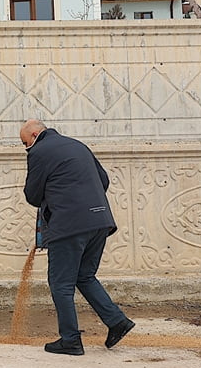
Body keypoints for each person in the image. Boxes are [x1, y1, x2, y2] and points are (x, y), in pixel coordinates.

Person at [20, 118, 135, 355]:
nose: (25, 148)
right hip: (100, 221)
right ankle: (117, 321)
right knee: (84, 276)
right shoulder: (77, 145)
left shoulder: (39, 151)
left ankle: (70, 339)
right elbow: (103, 180)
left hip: (70, 225)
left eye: (24, 143)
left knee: (61, 283)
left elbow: (32, 195)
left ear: (33, 136)